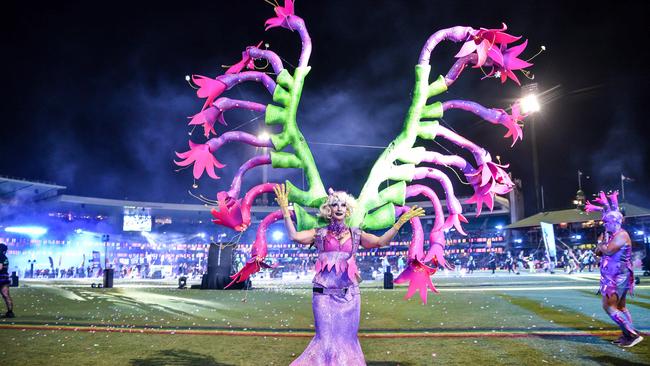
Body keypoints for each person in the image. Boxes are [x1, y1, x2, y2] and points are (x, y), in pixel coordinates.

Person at [275, 184, 423, 365]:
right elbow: (295, 236)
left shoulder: (356, 234)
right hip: (323, 296)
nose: (339, 208)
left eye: (343, 205)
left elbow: (381, 241)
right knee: (325, 339)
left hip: (350, 296)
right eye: (335, 204)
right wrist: (284, 210)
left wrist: (398, 224)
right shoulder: (319, 233)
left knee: (347, 341)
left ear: (348, 210)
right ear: (328, 209)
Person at [588, 192, 643, 347]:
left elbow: (608, 250)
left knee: (608, 306)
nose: (604, 225)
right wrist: (601, 245)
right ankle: (627, 335)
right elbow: (599, 251)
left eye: (607, 222)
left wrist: (601, 244)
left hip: (617, 276)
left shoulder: (621, 235)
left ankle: (632, 335)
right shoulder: (612, 235)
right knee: (620, 307)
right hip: (615, 275)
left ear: (614, 222)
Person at [0, 243, 15, 318]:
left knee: (6, 295)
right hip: (5, 278)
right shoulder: (5, 257)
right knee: (6, 295)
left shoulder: (0, 256)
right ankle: (10, 312)